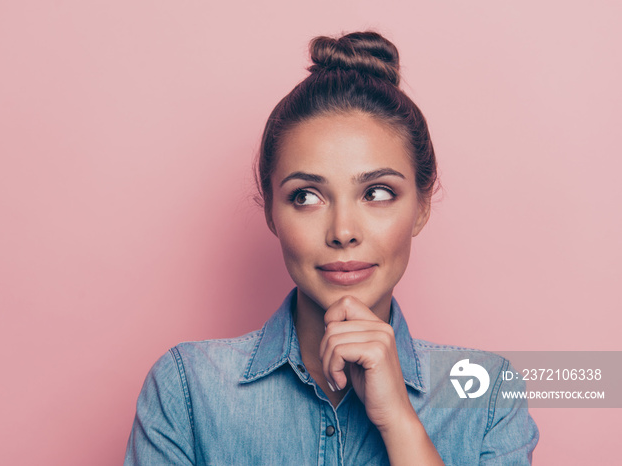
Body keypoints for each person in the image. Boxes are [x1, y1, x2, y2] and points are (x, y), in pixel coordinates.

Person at [124, 31, 539, 465]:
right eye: (306, 196)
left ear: (421, 207)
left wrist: (399, 421)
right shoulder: (189, 389)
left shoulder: (487, 394)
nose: (343, 231)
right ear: (271, 212)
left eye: (377, 193)